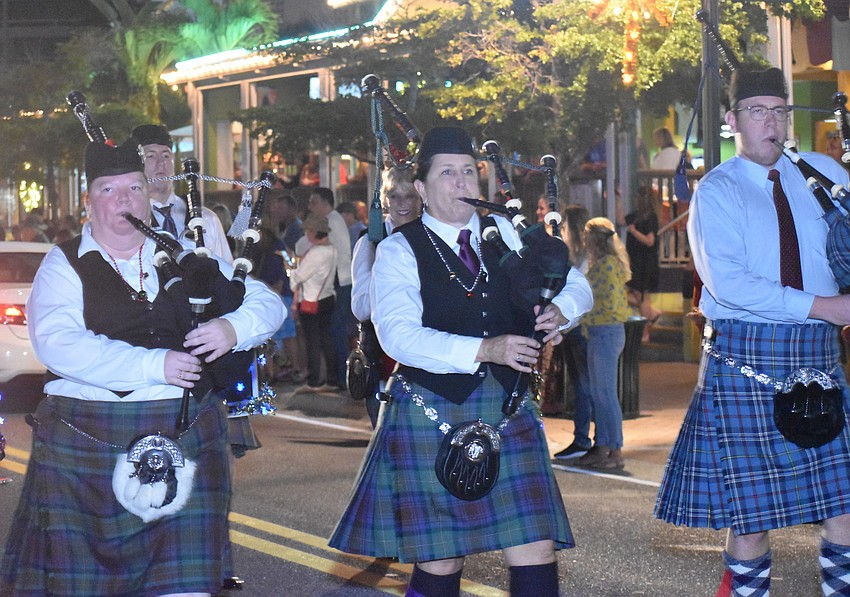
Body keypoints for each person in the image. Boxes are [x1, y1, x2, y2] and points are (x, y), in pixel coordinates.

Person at [0, 138, 284, 595]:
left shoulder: (187, 257)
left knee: (183, 585)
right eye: (108, 189)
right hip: (86, 434)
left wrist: (232, 328)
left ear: (147, 194)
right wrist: (155, 365)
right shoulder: (64, 262)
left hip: (185, 433)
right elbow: (58, 344)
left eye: (133, 187)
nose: (123, 199)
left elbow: (265, 302)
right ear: (88, 201)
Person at [329, 126, 593, 597]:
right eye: (447, 173)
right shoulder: (398, 249)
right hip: (431, 406)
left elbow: (575, 284)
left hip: (508, 406)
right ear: (422, 188)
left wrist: (561, 310)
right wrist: (484, 349)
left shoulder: (506, 234)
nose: (461, 182)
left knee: (535, 545)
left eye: (469, 172)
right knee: (441, 556)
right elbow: (398, 337)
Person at [654, 67, 850, 597]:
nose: (772, 123)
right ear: (732, 120)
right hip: (747, 356)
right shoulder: (718, 190)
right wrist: (825, 306)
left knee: (845, 505)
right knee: (751, 519)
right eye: (758, 111)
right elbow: (731, 284)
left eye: (780, 111)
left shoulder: (824, 173)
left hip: (817, 354)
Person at [350, 165, 422, 427]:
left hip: (427, 357)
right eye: (395, 196)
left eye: (409, 196)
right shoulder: (370, 240)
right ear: (384, 200)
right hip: (384, 358)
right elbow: (361, 307)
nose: (402, 204)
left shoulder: (433, 237)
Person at [573, 217, 631, 470]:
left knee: (605, 394)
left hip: (605, 332)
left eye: (587, 236)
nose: (584, 241)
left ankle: (615, 450)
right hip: (601, 332)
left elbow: (607, 304)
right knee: (600, 394)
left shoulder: (606, 266)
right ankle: (605, 445)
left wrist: (582, 318)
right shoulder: (605, 264)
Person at [131, 124, 233, 263]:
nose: (161, 162)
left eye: (166, 155)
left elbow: (226, 270)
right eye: (151, 156)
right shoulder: (130, 221)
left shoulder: (207, 219)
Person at [553, 205, 595, 460]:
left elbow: (586, 297)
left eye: (564, 225)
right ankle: (587, 439)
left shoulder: (588, 258)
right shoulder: (574, 256)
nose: (562, 230)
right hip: (574, 329)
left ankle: (584, 439)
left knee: (584, 386)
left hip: (583, 329)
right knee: (583, 385)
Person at [308, 187, 354, 390]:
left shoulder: (332, 222)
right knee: (335, 331)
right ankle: (338, 378)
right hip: (339, 282)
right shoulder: (333, 220)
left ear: (326, 203)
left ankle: (341, 378)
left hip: (339, 283)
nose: (311, 207)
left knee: (337, 331)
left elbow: (333, 255)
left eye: (314, 202)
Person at [288, 213, 337, 393]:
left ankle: (314, 380)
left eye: (309, 231)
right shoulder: (332, 249)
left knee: (312, 342)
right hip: (327, 297)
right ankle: (332, 378)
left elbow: (299, 276)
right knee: (326, 340)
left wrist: (291, 270)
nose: (307, 234)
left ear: (316, 232)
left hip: (311, 300)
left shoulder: (316, 252)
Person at [616, 185, 662, 342]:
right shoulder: (637, 216)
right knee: (636, 294)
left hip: (644, 262)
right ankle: (651, 314)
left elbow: (650, 241)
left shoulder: (650, 218)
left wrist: (634, 232)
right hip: (636, 261)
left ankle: (645, 329)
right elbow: (621, 220)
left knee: (640, 295)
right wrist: (618, 199)